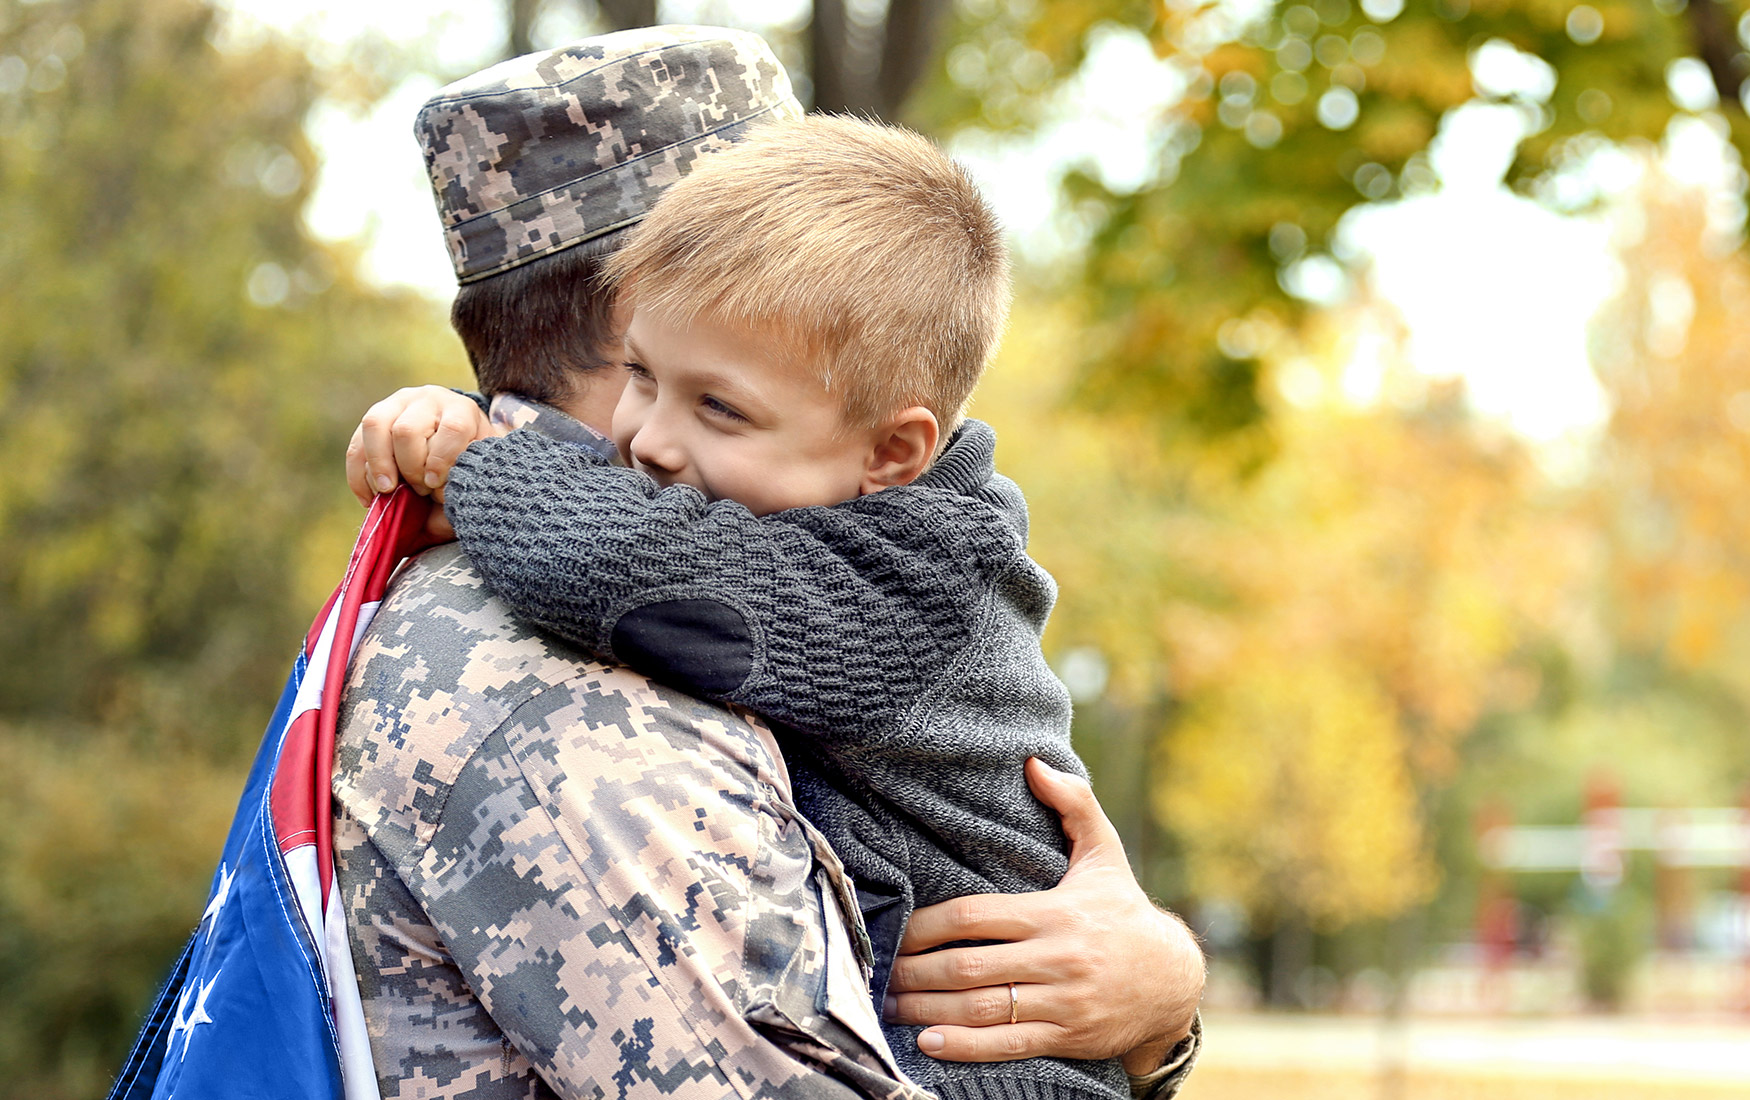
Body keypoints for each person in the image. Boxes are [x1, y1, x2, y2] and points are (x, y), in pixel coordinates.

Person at [333, 27, 1203, 1100]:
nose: (657, 439)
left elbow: (652, 567)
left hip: (995, 1046)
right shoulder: (563, 696)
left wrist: (1162, 1011)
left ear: (891, 447)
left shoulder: (890, 567)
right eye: (651, 378)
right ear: (630, 315)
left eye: (719, 402)